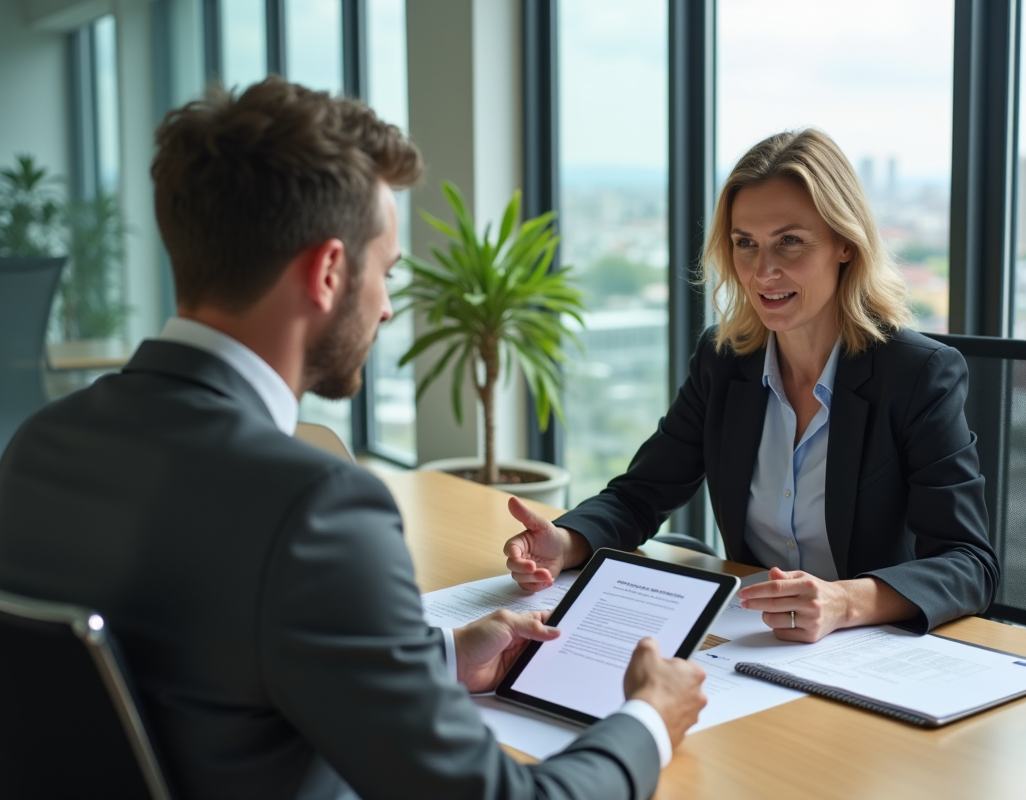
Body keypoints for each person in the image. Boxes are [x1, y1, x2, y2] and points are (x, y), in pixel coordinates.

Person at [0, 77, 705, 800]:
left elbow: (202, 659)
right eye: (387, 272)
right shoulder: (313, 506)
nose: (389, 308)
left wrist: (438, 654)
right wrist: (648, 719)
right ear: (329, 271)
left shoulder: (41, 445)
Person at [505, 129, 998, 643]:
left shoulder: (916, 375)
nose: (763, 271)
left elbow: (969, 563)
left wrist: (843, 601)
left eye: (790, 241)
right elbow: (640, 495)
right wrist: (566, 541)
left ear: (845, 245)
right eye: (745, 244)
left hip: (867, 646)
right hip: (754, 637)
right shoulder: (724, 361)